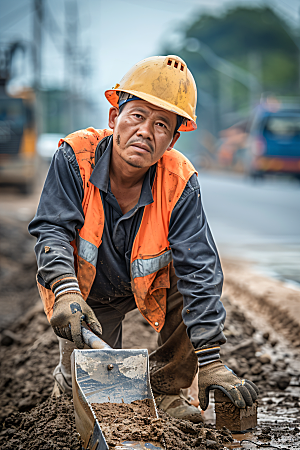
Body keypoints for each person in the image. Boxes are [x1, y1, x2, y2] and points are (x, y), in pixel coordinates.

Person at [29, 55, 258, 423]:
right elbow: (52, 229)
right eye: (136, 115)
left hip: (152, 287)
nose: (146, 131)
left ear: (171, 139)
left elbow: (200, 267)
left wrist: (211, 360)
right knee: (92, 405)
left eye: (161, 124)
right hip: (85, 293)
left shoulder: (179, 180)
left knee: (193, 281)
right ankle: (67, 374)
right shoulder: (76, 157)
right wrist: (65, 289)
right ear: (113, 119)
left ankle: (166, 390)